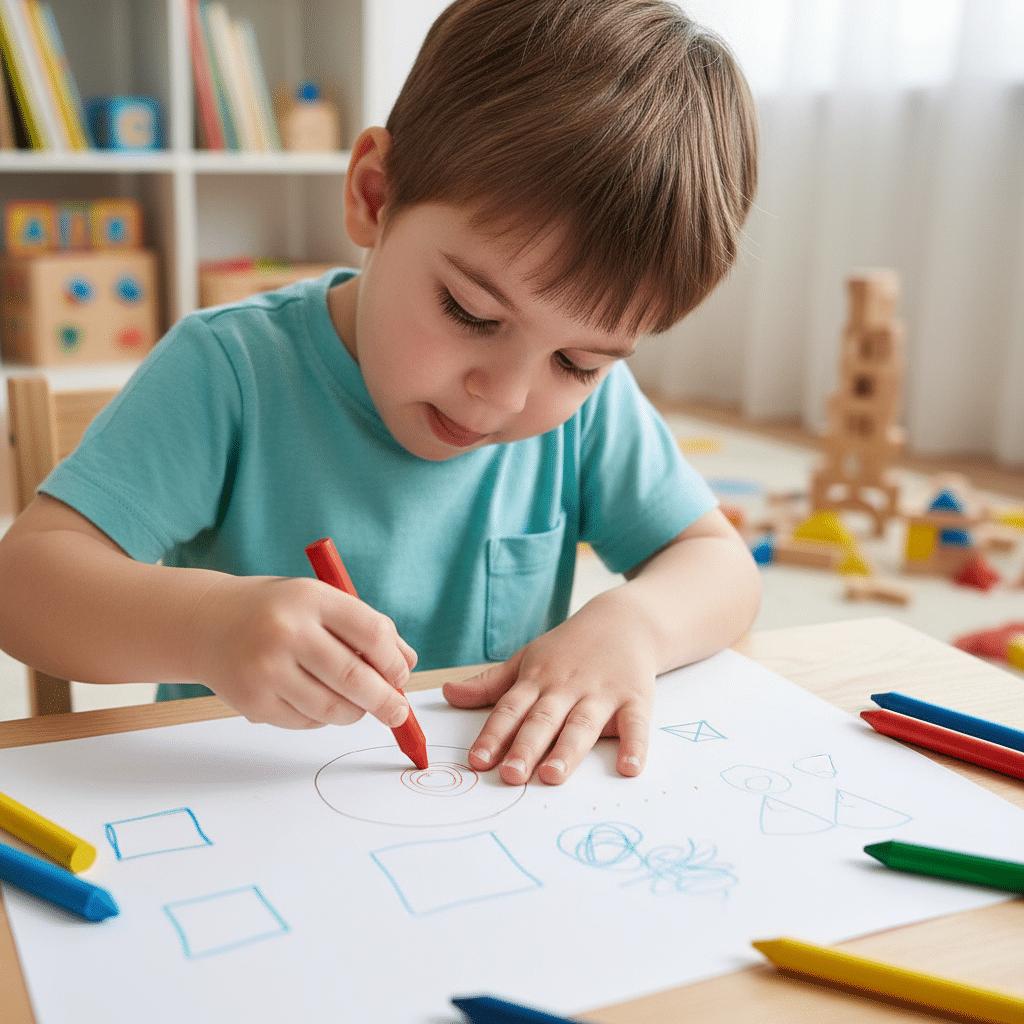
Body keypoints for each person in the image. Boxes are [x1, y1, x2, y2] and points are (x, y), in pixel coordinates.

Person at [0, 0, 760, 786]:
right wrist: (206, 627)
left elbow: (721, 566)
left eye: (578, 362)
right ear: (372, 195)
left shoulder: (594, 411)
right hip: (235, 811)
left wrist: (633, 625)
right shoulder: (229, 370)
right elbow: (23, 585)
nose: (502, 396)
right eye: (472, 313)